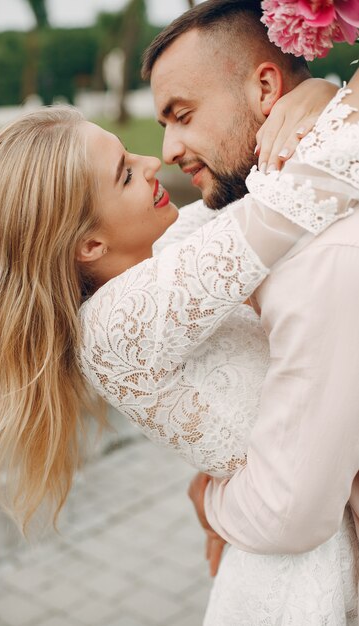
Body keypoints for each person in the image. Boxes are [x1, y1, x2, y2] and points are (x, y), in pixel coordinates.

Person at [141, 0, 359, 622]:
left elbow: (290, 509)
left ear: (265, 86)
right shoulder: (253, 225)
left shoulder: (323, 261)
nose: (168, 149)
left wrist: (207, 498)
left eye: (182, 115)